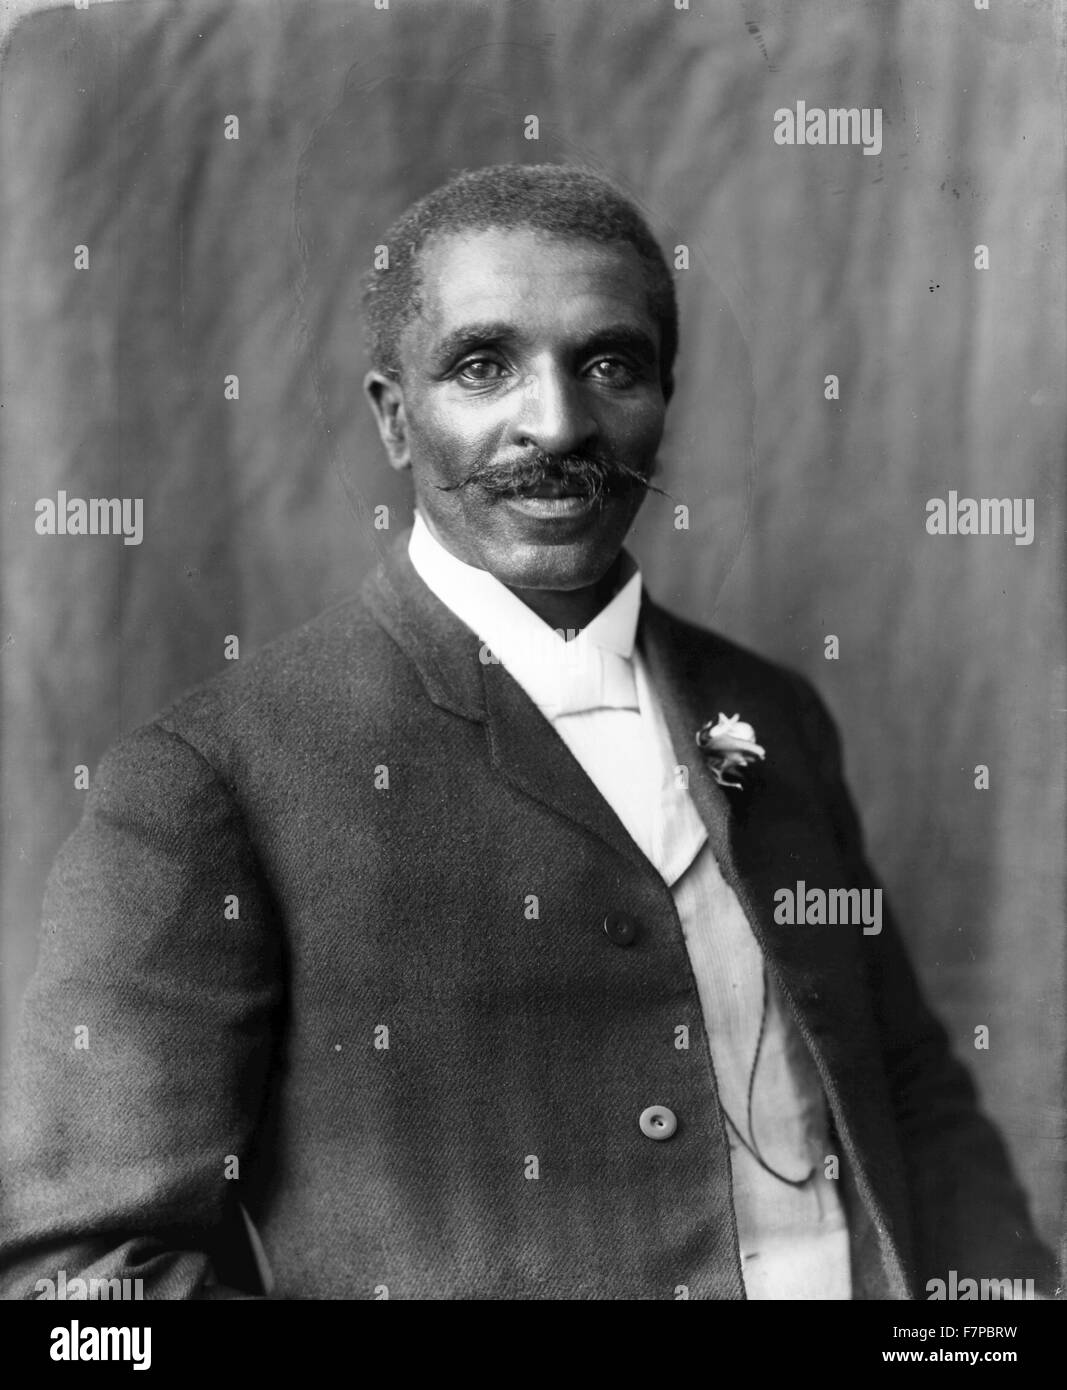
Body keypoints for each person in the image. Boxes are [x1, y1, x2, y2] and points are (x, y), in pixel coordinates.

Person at [0, 164, 1055, 1300]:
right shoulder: (209, 780)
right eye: (481, 366)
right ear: (397, 417)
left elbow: (904, 1092)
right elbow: (81, 1286)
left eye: (609, 364)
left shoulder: (773, 711)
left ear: (663, 397)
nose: (554, 422)